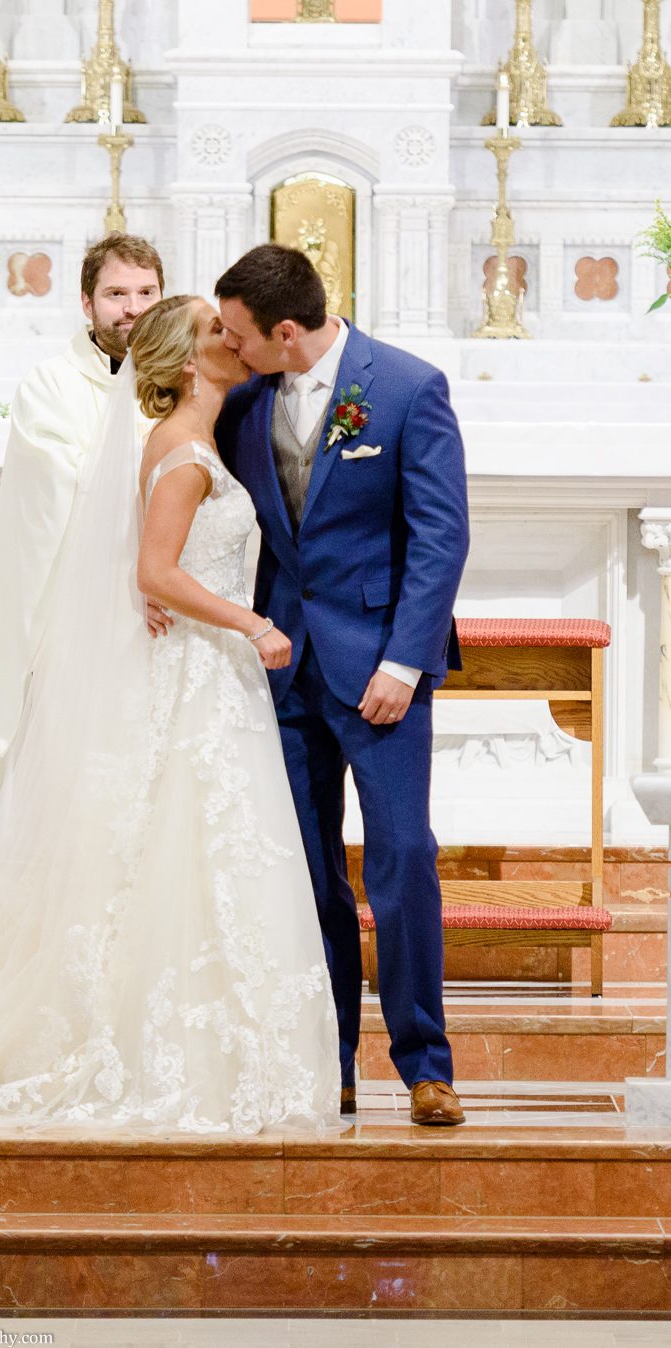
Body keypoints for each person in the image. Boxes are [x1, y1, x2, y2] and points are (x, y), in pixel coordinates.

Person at [0, 295, 341, 1135]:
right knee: (185, 849)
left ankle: (209, 1041)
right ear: (184, 360)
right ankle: (159, 1048)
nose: (232, 341)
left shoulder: (193, 440)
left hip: (208, 676)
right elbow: (157, 573)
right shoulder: (184, 451)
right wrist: (252, 622)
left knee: (199, 854)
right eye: (214, 333)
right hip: (206, 669)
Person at [214, 245, 470, 1125]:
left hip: (381, 669)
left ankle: (425, 1064)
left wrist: (404, 661)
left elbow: (439, 538)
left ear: (286, 331)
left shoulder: (405, 388)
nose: (229, 345)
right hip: (284, 670)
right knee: (307, 873)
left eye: (240, 333)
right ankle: (327, 1060)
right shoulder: (244, 403)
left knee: (401, 859)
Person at [0, 232, 164, 832]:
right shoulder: (49, 385)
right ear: (86, 303)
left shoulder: (182, 378)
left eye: (146, 292)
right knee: (83, 773)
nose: (132, 307)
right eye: (116, 294)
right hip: (83, 610)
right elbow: (57, 495)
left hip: (169, 606)